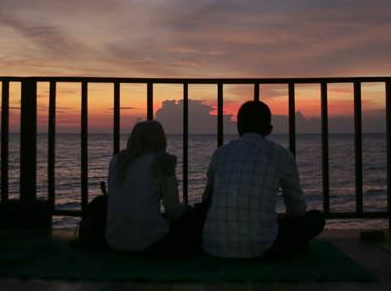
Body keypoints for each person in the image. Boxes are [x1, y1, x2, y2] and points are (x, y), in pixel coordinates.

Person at [202, 100, 325, 258]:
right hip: (262, 248)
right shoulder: (281, 155)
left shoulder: (221, 153)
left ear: (238, 127)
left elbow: (207, 198)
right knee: (316, 219)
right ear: (269, 129)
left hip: (214, 245)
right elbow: (297, 208)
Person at [105, 120, 188, 253]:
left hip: (114, 240)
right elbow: (172, 209)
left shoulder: (117, 161)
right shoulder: (161, 161)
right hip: (148, 242)